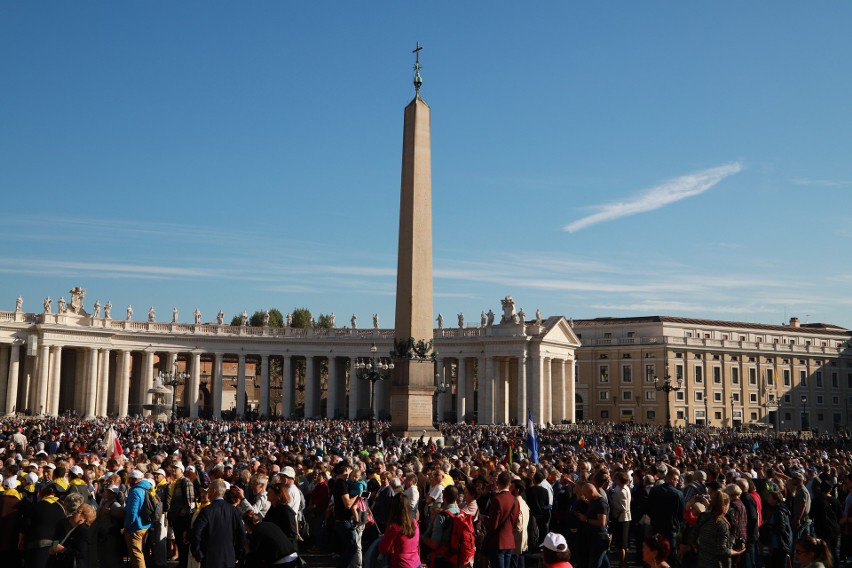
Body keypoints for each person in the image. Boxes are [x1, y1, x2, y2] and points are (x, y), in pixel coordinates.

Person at [190, 479, 246, 568]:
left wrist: (197, 554)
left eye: (209, 490)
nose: (207, 492)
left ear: (214, 491)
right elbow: (241, 534)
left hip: (210, 558)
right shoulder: (234, 511)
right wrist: (237, 553)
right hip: (229, 557)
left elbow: (196, 532)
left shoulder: (207, 511)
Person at [697, 491, 745, 568]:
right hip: (717, 564)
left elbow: (693, 536)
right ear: (725, 505)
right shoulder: (722, 524)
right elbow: (722, 550)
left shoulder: (703, 516)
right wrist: (736, 552)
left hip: (703, 561)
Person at [485, 471, 520, 568]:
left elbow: (493, 525)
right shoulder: (515, 500)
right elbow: (516, 522)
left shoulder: (497, 499)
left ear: (497, 483)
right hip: (509, 540)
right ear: (510, 484)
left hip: (497, 542)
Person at [48, 501, 96, 568]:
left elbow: (80, 553)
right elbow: (57, 538)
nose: (74, 513)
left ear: (84, 518)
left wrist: (63, 549)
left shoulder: (83, 531)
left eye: (78, 511)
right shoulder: (64, 523)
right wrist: (54, 548)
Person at [378, 494, 420, 568]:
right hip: (416, 563)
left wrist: (383, 540)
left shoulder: (393, 527)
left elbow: (384, 548)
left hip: (401, 563)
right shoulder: (414, 522)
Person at [576, 482, 610, 568]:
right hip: (594, 538)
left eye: (586, 494)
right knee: (604, 563)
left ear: (591, 491)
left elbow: (602, 522)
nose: (585, 497)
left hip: (599, 539)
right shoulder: (593, 501)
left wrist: (586, 519)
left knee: (594, 564)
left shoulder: (601, 503)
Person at [124, 469, 153, 568]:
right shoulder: (147, 488)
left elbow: (132, 512)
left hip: (136, 526)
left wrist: (126, 527)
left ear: (135, 479)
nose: (128, 482)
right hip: (145, 525)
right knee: (140, 553)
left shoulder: (135, 491)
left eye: (130, 479)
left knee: (136, 555)